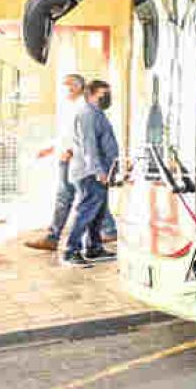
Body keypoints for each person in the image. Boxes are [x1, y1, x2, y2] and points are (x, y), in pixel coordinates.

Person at [25, 75, 116, 251]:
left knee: (79, 199)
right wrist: (52, 149)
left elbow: (87, 140)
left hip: (76, 160)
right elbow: (68, 135)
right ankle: (96, 236)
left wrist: (74, 152)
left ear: (78, 87)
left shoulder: (86, 108)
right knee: (90, 199)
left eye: (67, 86)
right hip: (70, 158)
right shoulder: (71, 107)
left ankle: (64, 242)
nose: (63, 89)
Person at [62, 80, 120, 268]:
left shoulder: (97, 114)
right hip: (89, 173)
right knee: (85, 213)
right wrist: (98, 171)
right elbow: (89, 146)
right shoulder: (87, 114)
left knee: (98, 213)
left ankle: (94, 248)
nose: (107, 97)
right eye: (105, 93)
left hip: (99, 171)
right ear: (93, 94)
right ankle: (71, 251)